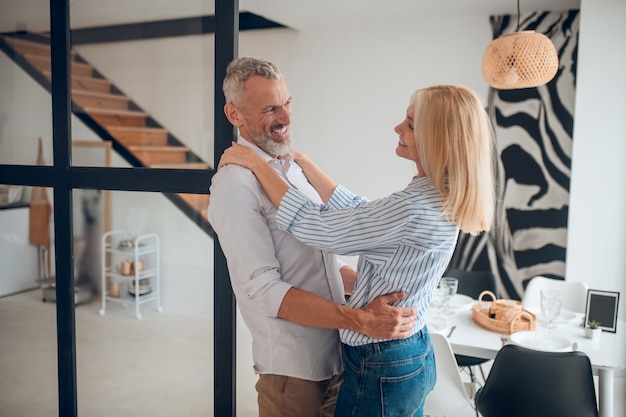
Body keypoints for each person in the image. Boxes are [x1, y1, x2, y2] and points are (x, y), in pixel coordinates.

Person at [218, 84, 496, 417]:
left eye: (409, 124)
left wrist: (258, 165)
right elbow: (362, 212)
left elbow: (317, 227)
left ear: (436, 138)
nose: (398, 129)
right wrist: (300, 161)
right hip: (411, 351)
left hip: (384, 361)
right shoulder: (435, 197)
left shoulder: (415, 208)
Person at [207, 57, 418, 417]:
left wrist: (385, 288)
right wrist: (360, 320)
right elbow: (262, 289)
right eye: (271, 108)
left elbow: (321, 261)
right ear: (235, 115)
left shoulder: (294, 167)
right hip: (294, 368)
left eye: (287, 103)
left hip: (336, 353)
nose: (286, 118)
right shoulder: (235, 184)